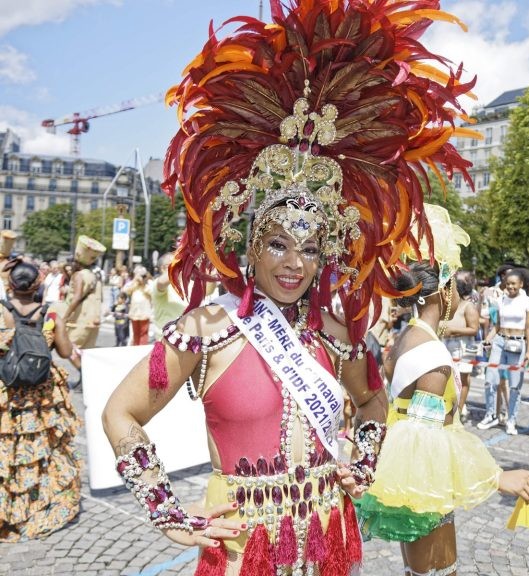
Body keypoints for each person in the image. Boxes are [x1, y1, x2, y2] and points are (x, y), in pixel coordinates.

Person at [101, 2, 477, 574]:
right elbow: (120, 414)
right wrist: (168, 512)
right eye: (277, 243)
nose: (294, 263)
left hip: (331, 534)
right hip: (243, 546)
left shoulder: (335, 332)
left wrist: (365, 458)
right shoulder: (206, 327)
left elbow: (372, 403)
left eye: (308, 247)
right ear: (249, 245)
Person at [357, 253, 529, 576]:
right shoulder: (432, 356)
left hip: (415, 481)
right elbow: (424, 437)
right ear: (444, 292)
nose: (460, 295)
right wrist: (497, 478)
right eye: (455, 287)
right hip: (425, 483)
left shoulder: (409, 336)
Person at [0, 260, 81, 542]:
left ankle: (8, 512)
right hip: (42, 395)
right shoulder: (51, 313)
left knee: (8, 450)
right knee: (43, 449)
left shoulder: (1, 312)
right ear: (38, 285)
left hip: (7, 394)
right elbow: (66, 350)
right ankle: (39, 506)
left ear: (10, 284)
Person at [478, 269, 529, 435]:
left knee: (515, 386)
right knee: (490, 379)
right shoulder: (501, 300)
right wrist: (488, 339)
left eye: (514, 284)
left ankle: (511, 420)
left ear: (521, 284)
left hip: (518, 343)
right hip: (500, 341)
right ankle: (490, 415)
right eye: (508, 283)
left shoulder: (527, 302)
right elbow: (497, 326)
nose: (510, 287)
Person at [441, 277, 480, 419]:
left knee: (463, 379)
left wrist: (453, 330)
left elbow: (474, 329)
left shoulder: (468, 306)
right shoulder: (445, 305)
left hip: (464, 346)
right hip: (446, 344)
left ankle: (458, 410)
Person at [63, 235, 106, 351]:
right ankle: (84, 369)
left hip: (80, 320)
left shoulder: (79, 275)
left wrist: (64, 317)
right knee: (85, 353)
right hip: (93, 320)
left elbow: (76, 298)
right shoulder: (94, 276)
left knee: (69, 349)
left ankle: (81, 369)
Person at [124, 266, 153, 346]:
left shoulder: (149, 283)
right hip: (134, 312)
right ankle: (136, 348)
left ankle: (142, 350)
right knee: (135, 333)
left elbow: (152, 293)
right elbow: (126, 290)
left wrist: (144, 284)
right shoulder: (133, 283)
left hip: (144, 312)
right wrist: (134, 281)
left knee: (143, 333)